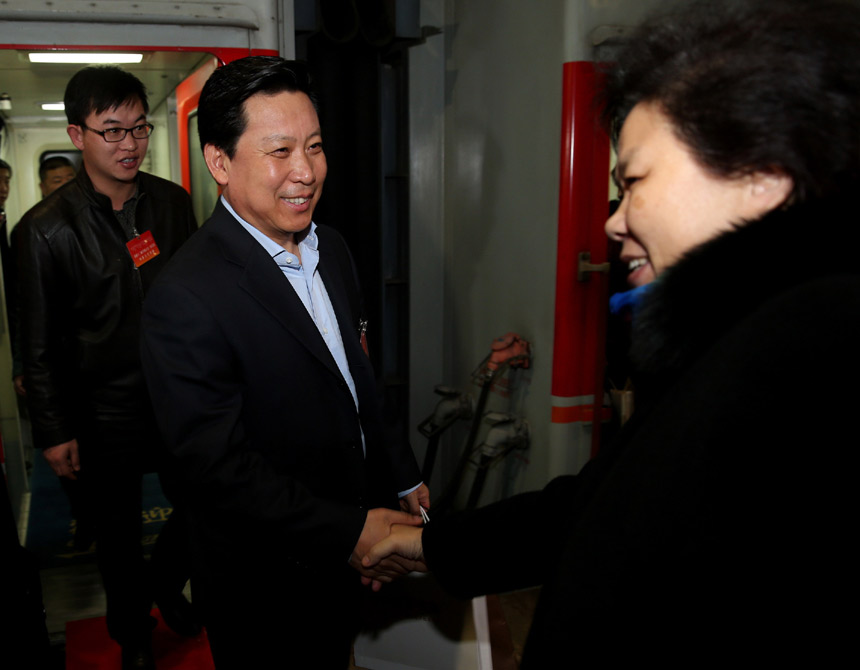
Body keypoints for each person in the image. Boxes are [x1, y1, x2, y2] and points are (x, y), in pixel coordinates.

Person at [362, 0, 860, 664]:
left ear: (762, 176)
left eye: (634, 181)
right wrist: (429, 544)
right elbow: (601, 504)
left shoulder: (812, 358)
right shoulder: (728, 346)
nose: (613, 223)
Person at [140, 56, 428, 669]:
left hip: (346, 555)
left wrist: (402, 477)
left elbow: (356, 380)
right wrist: (349, 531)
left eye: (315, 147)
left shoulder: (335, 249)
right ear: (219, 162)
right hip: (264, 580)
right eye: (279, 151)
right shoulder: (185, 295)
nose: (306, 171)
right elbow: (216, 468)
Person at [17, 66, 197, 670]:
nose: (129, 144)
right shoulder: (43, 232)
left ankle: (167, 584)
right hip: (102, 410)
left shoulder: (172, 204)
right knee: (117, 536)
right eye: (111, 130)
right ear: (77, 134)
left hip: (176, 396)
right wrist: (53, 430)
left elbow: (197, 300)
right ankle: (133, 634)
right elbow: (35, 345)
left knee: (207, 502)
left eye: (138, 129)